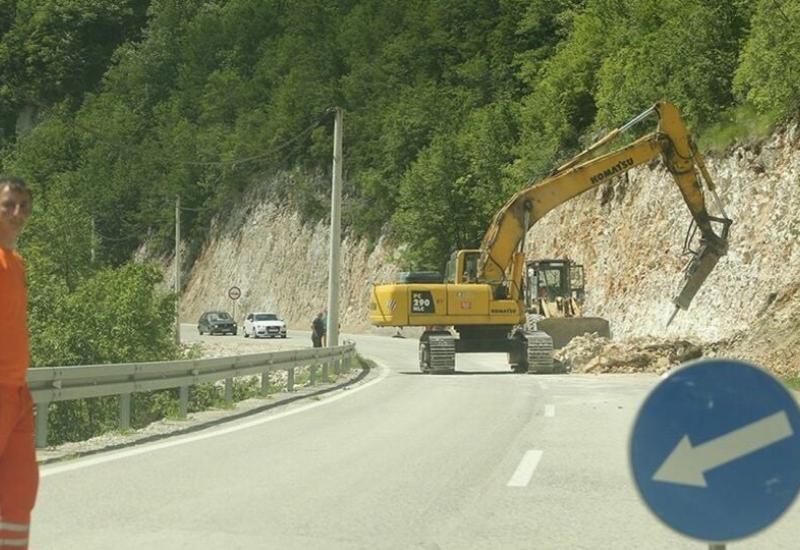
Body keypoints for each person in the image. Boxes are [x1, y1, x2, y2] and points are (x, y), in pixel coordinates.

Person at [0, 175, 37, 550]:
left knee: (19, 495)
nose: (17, 212)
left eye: (24, 206)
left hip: (18, 394)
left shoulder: (17, 263)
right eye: (8, 204)